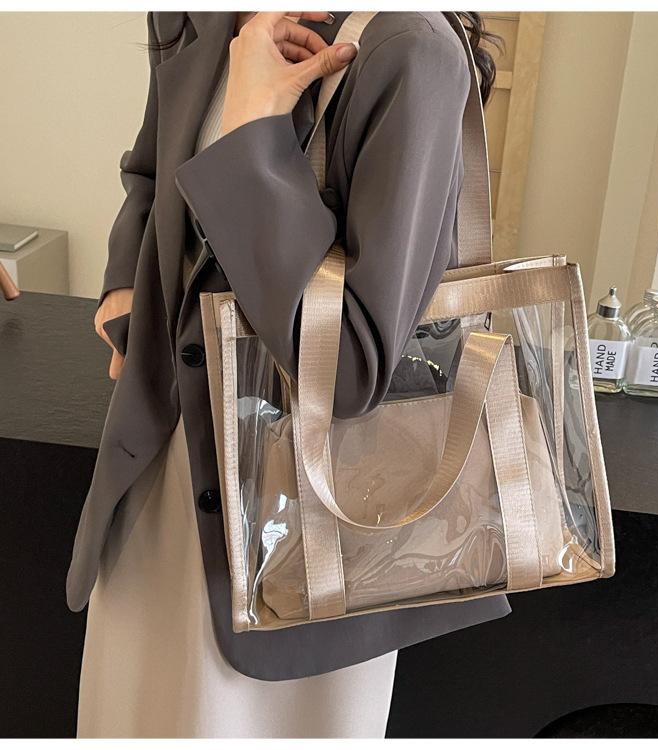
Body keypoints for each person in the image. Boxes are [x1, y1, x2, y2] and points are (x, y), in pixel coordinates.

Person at [70, 10, 508, 738]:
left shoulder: (408, 51)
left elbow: (349, 369)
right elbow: (152, 169)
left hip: (304, 534)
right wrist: (125, 280)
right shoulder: (200, 15)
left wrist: (254, 134)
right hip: (153, 490)